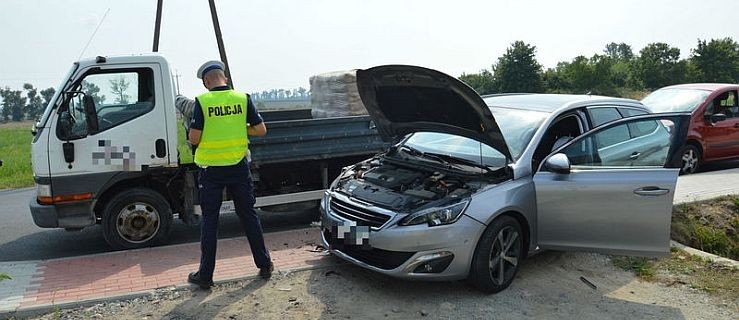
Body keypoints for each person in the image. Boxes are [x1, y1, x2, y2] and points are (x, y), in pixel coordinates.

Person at [187, 60, 273, 289]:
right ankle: (264, 265)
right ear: (224, 77)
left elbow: (194, 138)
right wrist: (237, 127)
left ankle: (205, 276)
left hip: (211, 171)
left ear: (206, 81)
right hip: (238, 167)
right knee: (248, 215)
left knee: (210, 221)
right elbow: (261, 130)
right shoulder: (242, 98)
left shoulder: (202, 102)